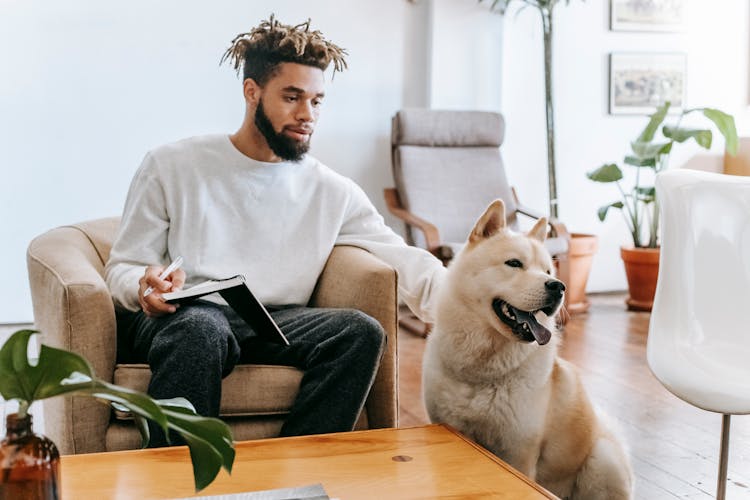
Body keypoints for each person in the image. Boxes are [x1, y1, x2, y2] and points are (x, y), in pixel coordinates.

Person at [105, 14, 444, 447]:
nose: (307, 115)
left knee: (361, 331)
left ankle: (297, 478)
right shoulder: (172, 165)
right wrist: (144, 286)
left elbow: (403, 258)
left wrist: (481, 302)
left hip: (276, 323)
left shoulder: (331, 190)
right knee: (202, 329)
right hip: (187, 317)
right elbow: (124, 265)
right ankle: (179, 484)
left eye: (317, 101)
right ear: (252, 92)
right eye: (292, 97)